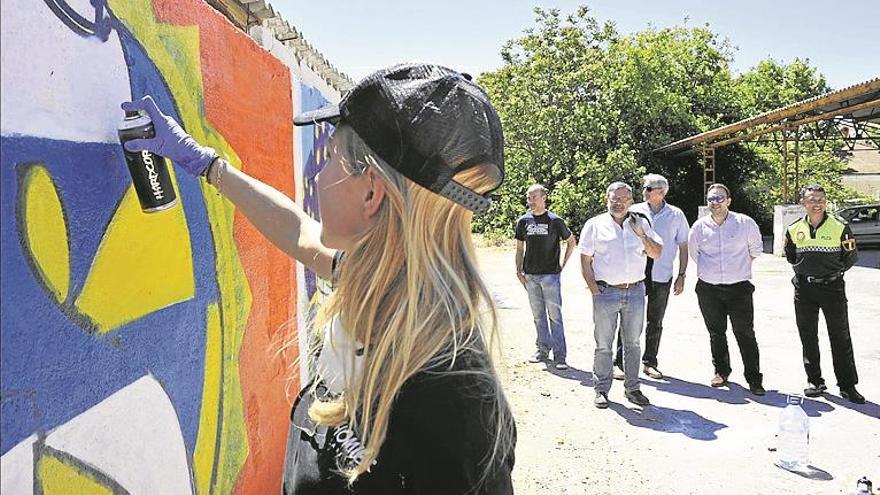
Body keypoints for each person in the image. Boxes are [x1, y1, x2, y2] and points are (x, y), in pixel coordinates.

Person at [121, 63, 516, 494]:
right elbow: (299, 232)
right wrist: (208, 166)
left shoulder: (457, 406)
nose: (317, 175)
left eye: (329, 158)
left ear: (371, 192)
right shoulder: (380, 282)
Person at [580, 182, 662, 409]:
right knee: (604, 345)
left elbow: (657, 252)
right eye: (614, 199)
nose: (619, 203)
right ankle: (601, 390)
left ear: (631, 200)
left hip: (635, 291)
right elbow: (585, 261)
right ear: (607, 199)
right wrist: (595, 290)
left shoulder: (641, 222)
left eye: (624, 199)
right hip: (606, 292)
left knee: (633, 343)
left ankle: (633, 389)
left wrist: (642, 235)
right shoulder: (594, 225)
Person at [784, 184, 864, 404]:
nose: (816, 203)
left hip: (832, 288)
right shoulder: (793, 228)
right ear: (803, 203)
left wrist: (830, 273)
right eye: (811, 199)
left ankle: (848, 386)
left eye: (821, 199)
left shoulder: (840, 227)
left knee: (840, 336)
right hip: (804, 289)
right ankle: (815, 381)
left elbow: (850, 257)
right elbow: (791, 256)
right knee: (808, 335)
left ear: (826, 202)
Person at [688, 183, 765, 396]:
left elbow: (755, 250)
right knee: (716, 333)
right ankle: (721, 372)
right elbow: (695, 254)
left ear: (729, 201)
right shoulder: (699, 227)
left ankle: (754, 379)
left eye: (719, 198)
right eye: (711, 199)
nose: (715, 203)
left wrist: (735, 270)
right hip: (708, 289)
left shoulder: (745, 223)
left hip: (739, 288)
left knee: (745, 333)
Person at [611, 174, 689, 380]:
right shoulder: (633, 210)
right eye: (644, 188)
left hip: (662, 275)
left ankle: (650, 362)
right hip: (635, 275)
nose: (644, 191)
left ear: (662, 192)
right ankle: (618, 363)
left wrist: (682, 274)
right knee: (627, 320)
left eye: (648, 188)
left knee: (655, 321)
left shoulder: (676, 215)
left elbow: (683, 245)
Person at [515, 184, 576, 370]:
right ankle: (542, 350)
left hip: (550, 276)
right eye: (528, 198)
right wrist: (518, 270)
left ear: (544, 198)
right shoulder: (523, 221)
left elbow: (571, 241)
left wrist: (563, 265)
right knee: (538, 316)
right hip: (531, 276)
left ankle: (560, 356)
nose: (530, 201)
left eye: (534, 197)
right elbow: (519, 248)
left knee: (555, 316)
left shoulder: (555, 221)